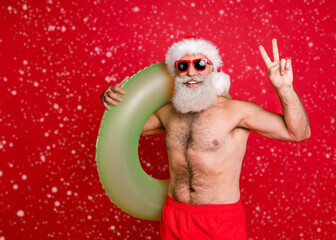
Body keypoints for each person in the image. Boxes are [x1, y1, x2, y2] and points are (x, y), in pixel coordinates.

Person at [100, 37, 310, 240]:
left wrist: (285, 89)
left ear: (213, 69)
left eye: (199, 64)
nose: (191, 72)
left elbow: (298, 133)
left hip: (219, 220)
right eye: (183, 66)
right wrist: (112, 99)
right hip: (175, 216)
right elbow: (126, 127)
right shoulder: (169, 114)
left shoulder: (237, 111)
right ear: (176, 73)